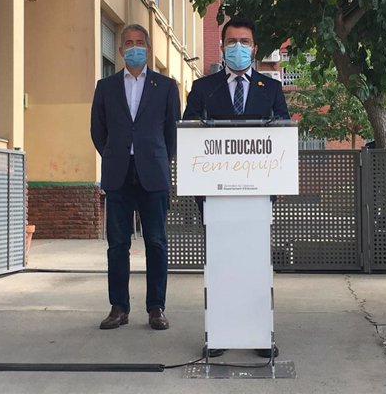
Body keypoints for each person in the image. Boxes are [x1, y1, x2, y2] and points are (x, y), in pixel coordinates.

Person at [183, 18, 290, 359]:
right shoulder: (204, 88)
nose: (239, 47)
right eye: (232, 41)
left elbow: (283, 131)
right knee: (221, 265)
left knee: (256, 265)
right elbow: (188, 131)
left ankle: (259, 334)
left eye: (245, 41)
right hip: (216, 196)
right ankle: (220, 332)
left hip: (256, 196)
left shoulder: (270, 89)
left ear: (255, 48)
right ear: (222, 45)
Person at [91, 24, 181, 331]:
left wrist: (156, 158)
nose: (134, 47)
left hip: (153, 174)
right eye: (128, 43)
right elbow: (97, 131)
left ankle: (156, 308)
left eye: (139, 42)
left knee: (156, 242)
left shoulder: (166, 87)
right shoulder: (105, 87)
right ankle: (119, 307)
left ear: (148, 47)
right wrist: (116, 154)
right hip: (118, 174)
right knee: (117, 244)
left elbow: (172, 133)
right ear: (119, 50)